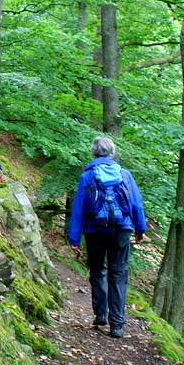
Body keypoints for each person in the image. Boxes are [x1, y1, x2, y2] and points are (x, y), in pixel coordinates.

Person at [68, 137, 146, 338]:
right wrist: (140, 229)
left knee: (97, 270)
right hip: (121, 229)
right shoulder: (124, 174)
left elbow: (78, 208)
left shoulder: (88, 176)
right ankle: (117, 324)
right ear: (112, 152)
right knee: (118, 273)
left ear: (94, 153)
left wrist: (74, 237)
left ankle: (101, 314)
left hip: (95, 230)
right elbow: (136, 203)